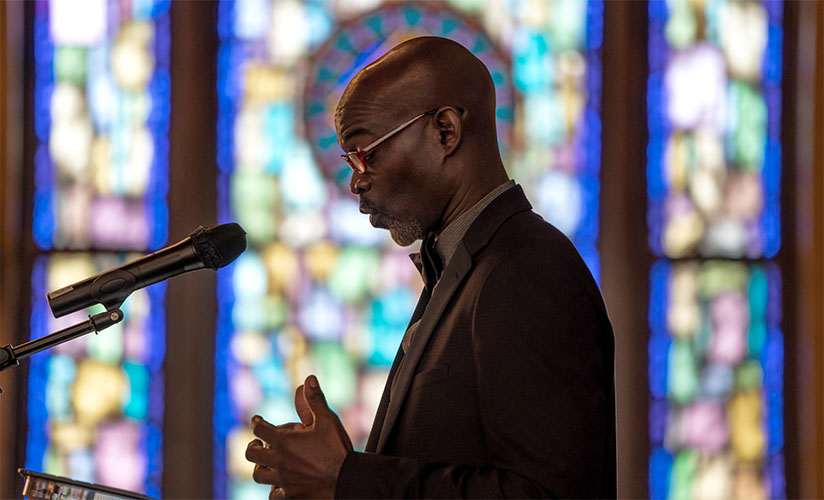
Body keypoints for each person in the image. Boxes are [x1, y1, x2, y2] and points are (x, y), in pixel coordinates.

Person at [245, 36, 616, 499]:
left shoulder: (528, 268)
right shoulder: (460, 270)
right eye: (349, 161)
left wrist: (346, 480)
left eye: (366, 154)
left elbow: (546, 494)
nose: (357, 180)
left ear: (445, 131)